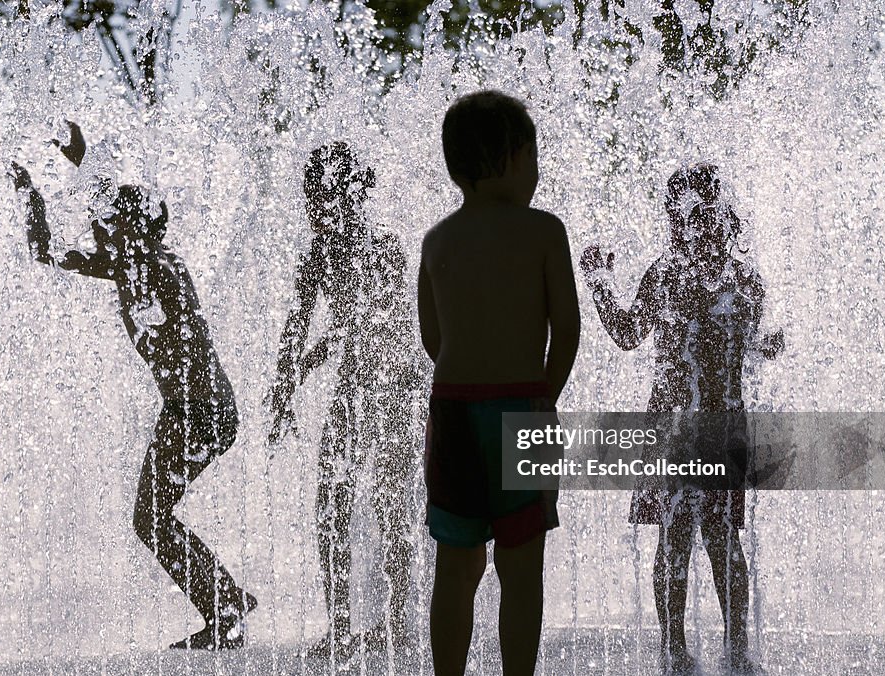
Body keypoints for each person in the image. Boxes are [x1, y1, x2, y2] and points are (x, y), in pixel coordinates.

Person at [11, 122, 256, 650]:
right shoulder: (129, 266)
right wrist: (33, 193)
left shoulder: (159, 266)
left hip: (202, 409)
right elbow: (47, 251)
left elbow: (115, 219)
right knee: (151, 518)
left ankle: (227, 605)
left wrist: (85, 170)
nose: (98, 230)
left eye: (110, 225)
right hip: (189, 409)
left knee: (150, 518)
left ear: (134, 229)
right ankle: (226, 600)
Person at [580, 163, 784, 675]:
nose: (697, 225)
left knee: (709, 536)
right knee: (688, 535)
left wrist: (765, 348)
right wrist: (601, 285)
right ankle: (688, 651)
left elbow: (746, 349)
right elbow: (630, 333)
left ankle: (721, 651)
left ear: (718, 215)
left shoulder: (735, 283)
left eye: (704, 214)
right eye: (687, 215)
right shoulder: (677, 275)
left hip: (708, 425)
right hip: (680, 425)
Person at [418, 90, 580, 676]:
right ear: (512, 156)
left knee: (456, 567)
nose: (537, 172)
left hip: (454, 409)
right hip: (522, 405)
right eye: (534, 157)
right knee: (521, 567)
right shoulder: (542, 231)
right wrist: (545, 395)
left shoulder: (437, 240)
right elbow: (566, 329)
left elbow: (432, 337)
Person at [266, 142, 420, 658]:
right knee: (330, 506)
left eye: (318, 197)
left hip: (396, 389)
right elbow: (298, 325)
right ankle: (341, 628)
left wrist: (304, 364)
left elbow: (389, 324)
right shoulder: (318, 256)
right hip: (353, 388)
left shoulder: (384, 249)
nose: (312, 209)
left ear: (347, 197)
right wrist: (287, 379)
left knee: (390, 504)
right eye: (310, 198)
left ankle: (398, 622)